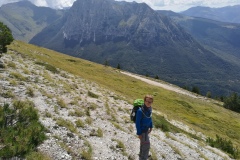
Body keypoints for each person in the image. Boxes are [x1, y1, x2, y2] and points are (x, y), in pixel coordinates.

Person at [136, 95, 153, 160]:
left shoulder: (150, 109)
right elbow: (137, 123)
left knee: (143, 144)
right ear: (144, 101)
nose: (148, 103)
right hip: (142, 131)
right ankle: (144, 158)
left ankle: (141, 156)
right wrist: (139, 133)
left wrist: (151, 126)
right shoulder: (140, 111)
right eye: (147, 101)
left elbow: (150, 118)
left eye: (150, 102)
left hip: (146, 130)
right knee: (147, 145)